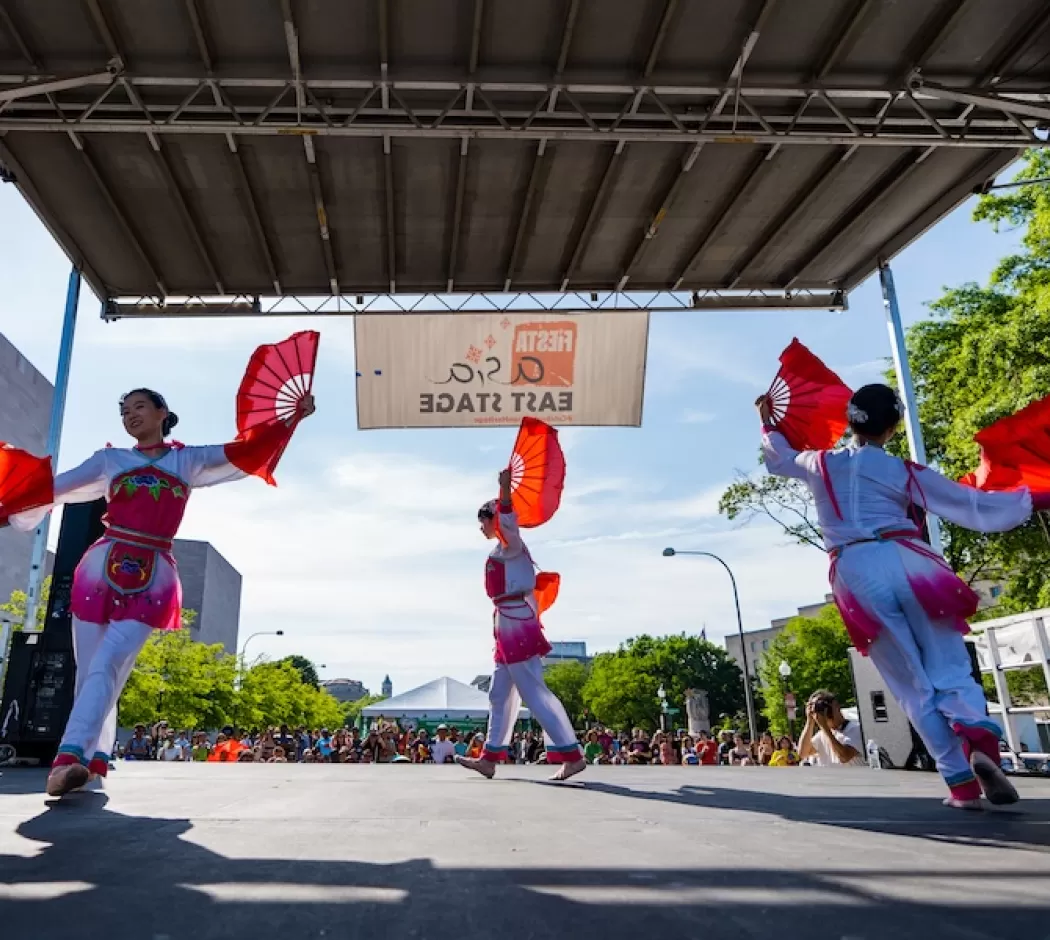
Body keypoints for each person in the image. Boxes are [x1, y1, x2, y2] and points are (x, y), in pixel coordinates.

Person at [6, 384, 315, 797]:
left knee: (108, 662)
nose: (130, 415)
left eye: (139, 407)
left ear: (162, 413)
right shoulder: (109, 460)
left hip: (153, 577)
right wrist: (7, 507)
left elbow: (244, 452)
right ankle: (93, 762)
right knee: (94, 670)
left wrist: (291, 418)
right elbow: (55, 488)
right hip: (99, 569)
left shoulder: (187, 460)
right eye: (124, 411)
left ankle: (68, 757)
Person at [759, 383, 1035, 809]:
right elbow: (968, 503)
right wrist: (1026, 501)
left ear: (850, 421)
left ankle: (961, 785)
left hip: (855, 570)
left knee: (909, 682)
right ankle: (979, 739)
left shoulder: (820, 463)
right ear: (892, 428)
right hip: (910, 559)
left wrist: (767, 421)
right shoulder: (902, 471)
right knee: (949, 661)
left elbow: (778, 458)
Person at [457, 469, 585, 782]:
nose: (481, 527)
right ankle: (489, 758)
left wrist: (504, 490)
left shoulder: (512, 544)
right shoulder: (503, 550)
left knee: (532, 690)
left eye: (483, 521)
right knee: (499, 693)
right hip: (506, 623)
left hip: (515, 622)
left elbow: (509, 520)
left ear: (495, 520)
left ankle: (572, 755)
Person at [797, 691, 863, 767]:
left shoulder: (856, 729)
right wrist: (810, 721)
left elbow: (844, 757)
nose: (822, 710)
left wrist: (824, 727)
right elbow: (803, 753)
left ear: (836, 706)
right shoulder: (822, 734)